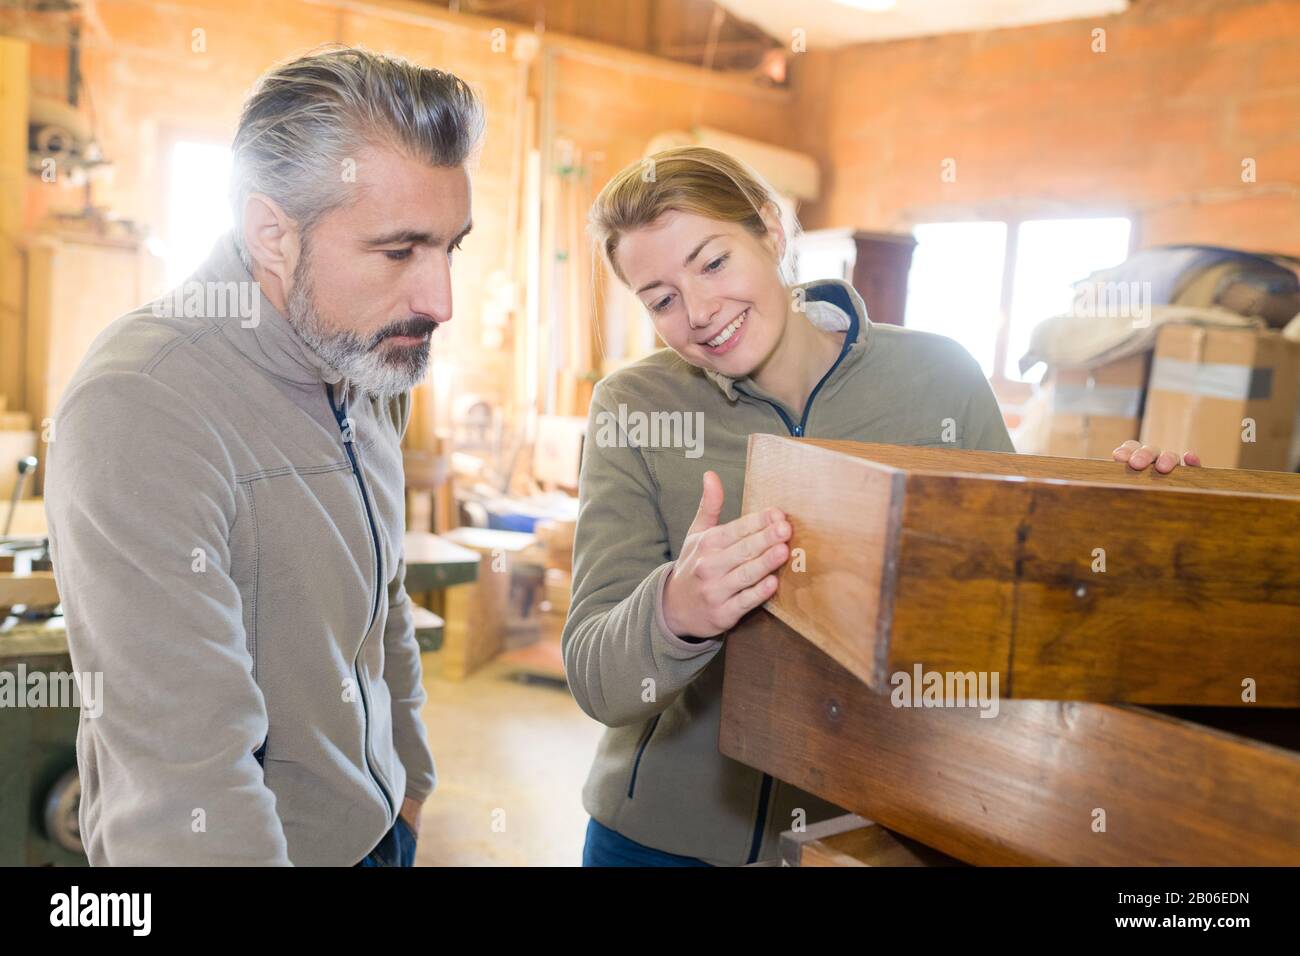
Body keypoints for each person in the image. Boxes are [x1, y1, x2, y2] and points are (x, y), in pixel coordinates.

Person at [565, 145, 1196, 867]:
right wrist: (674, 610)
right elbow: (593, 673)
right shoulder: (633, 407)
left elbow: (1024, 600)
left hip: (865, 841)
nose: (700, 313)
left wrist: (1133, 510)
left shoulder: (939, 379)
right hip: (656, 845)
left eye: (713, 262)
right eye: (661, 300)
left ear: (770, 231)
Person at [44, 46, 483, 865]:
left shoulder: (367, 363)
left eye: (450, 247)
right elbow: (184, 784)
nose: (439, 303)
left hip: (383, 832)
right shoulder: (142, 407)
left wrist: (410, 782)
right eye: (398, 252)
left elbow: (380, 610)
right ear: (271, 233)